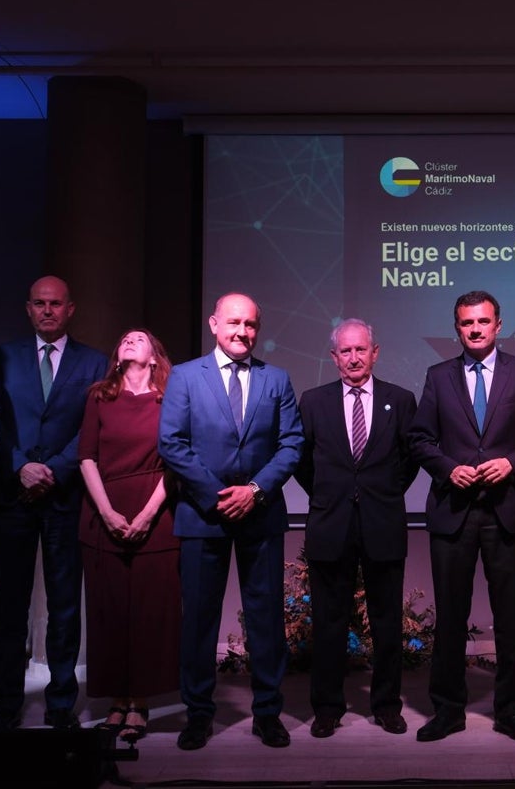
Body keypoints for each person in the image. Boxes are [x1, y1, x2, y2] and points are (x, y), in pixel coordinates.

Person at [158, 292, 304, 750]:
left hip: (260, 515)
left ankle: (268, 714)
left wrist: (255, 491)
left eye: (251, 325)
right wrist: (217, 496)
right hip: (204, 515)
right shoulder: (184, 376)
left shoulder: (276, 379)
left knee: (265, 621)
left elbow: (291, 444)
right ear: (214, 324)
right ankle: (199, 715)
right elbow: (172, 442)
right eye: (235, 323)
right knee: (199, 622)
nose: (243, 332)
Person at [408, 290, 515, 744]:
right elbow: (420, 439)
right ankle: (448, 710)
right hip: (454, 510)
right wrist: (449, 469)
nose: (475, 329)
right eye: (466, 323)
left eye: (483, 321)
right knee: (450, 615)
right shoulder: (437, 376)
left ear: (498, 324)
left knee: (510, 618)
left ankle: (510, 711)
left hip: (507, 510)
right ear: (457, 328)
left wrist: (511, 464)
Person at [0, 275, 108, 733]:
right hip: (13, 497)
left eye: (56, 304)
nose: (48, 311)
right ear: (28, 308)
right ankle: (6, 705)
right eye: (40, 303)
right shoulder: (4, 356)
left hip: (64, 495)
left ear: (70, 309)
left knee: (64, 607)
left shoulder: (94, 362)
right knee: (10, 606)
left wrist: (53, 468)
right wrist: (20, 466)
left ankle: (60, 704)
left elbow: (93, 428)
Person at [293, 319, 418, 738]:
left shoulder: (400, 400)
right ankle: (327, 708)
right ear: (334, 357)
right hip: (331, 524)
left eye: (360, 350)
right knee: (328, 621)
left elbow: (410, 461)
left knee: (386, 621)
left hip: (383, 523)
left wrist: (378, 494)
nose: (353, 358)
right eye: (344, 351)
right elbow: (302, 464)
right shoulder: (312, 401)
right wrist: (334, 495)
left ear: (375, 352)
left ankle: (386, 705)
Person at [78, 329, 179, 743]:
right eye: (125, 339)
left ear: (155, 357)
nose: (131, 341)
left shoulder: (170, 398)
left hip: (157, 510)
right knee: (110, 612)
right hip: (105, 511)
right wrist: (107, 512)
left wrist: (148, 513)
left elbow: (177, 459)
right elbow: (86, 456)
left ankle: (140, 701)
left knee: (151, 612)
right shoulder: (99, 396)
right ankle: (117, 701)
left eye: (141, 339)